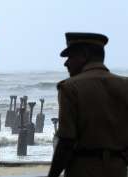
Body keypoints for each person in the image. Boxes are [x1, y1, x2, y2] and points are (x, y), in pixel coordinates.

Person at [48, 32, 128, 177]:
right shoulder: (125, 85)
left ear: (84, 55)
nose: (66, 63)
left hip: (83, 170)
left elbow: (66, 142)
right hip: (118, 170)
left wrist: (52, 175)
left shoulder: (70, 87)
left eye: (70, 57)